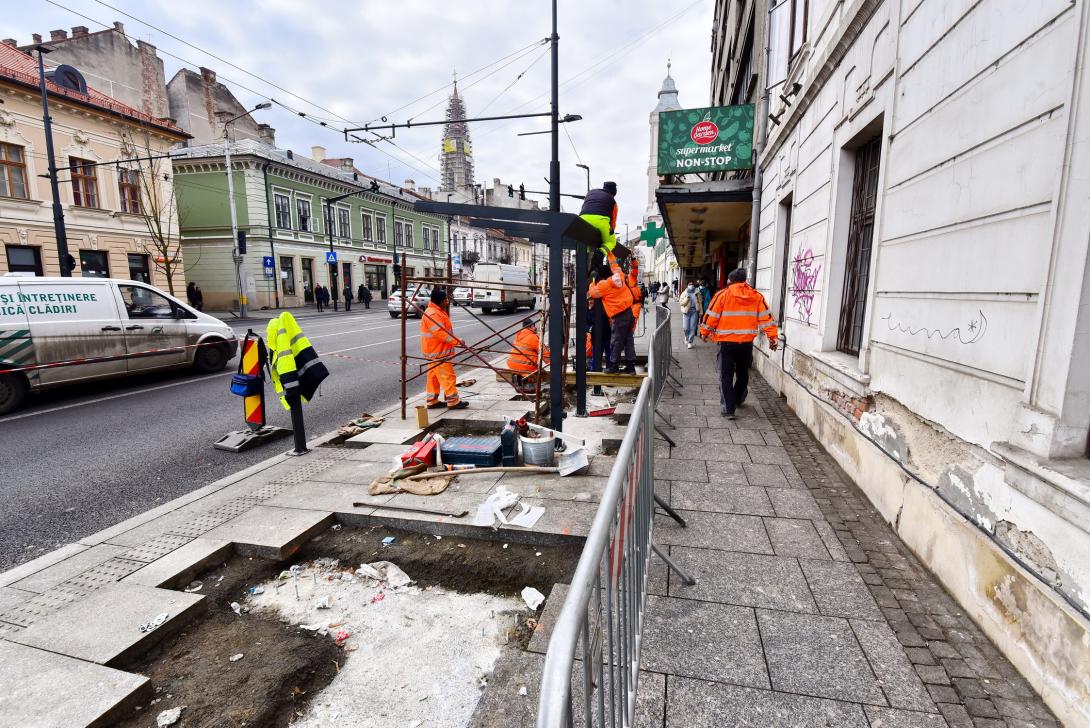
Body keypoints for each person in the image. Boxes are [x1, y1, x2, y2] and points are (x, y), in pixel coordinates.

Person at [700, 268, 778, 419]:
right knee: (742, 374)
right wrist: (772, 337)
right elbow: (766, 318)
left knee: (726, 375)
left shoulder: (722, 295)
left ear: (730, 280)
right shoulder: (756, 296)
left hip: (726, 342)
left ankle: (728, 408)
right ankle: (737, 398)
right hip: (746, 343)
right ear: (744, 281)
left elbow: (711, 315)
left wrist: (704, 332)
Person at [588, 251, 636, 374]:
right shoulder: (619, 275)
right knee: (628, 339)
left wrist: (593, 282)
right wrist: (609, 253)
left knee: (616, 340)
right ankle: (631, 366)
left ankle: (613, 365)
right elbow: (614, 265)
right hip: (629, 313)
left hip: (619, 316)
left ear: (602, 277)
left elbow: (593, 293)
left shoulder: (605, 285)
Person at [420, 289, 467, 409]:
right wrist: (457, 341)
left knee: (433, 378)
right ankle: (453, 401)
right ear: (439, 301)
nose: (447, 301)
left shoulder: (436, 311)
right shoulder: (433, 314)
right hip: (439, 352)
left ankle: (432, 400)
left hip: (434, 351)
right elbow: (441, 333)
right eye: (445, 300)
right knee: (448, 376)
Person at [507, 317, 549, 394]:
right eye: (533, 326)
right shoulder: (533, 337)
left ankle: (518, 379)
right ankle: (527, 382)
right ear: (529, 327)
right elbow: (545, 354)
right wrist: (552, 361)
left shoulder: (518, 336)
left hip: (512, 364)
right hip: (526, 366)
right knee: (539, 373)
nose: (535, 327)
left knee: (537, 369)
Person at [578, 181, 619, 254]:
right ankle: (599, 255)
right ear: (614, 192)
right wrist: (610, 232)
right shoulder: (613, 201)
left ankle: (585, 259)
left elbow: (584, 206)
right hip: (600, 221)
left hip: (582, 220)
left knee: (586, 244)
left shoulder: (590, 192)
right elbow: (613, 222)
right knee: (611, 242)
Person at [679, 281, 703, 348]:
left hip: (694, 312)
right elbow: (681, 303)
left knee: (693, 327)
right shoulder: (684, 293)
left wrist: (701, 312)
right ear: (687, 285)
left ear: (694, 285)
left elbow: (700, 303)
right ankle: (686, 337)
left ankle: (690, 342)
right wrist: (687, 299)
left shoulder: (697, 293)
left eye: (692, 284)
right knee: (686, 328)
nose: (691, 285)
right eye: (689, 284)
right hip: (686, 312)